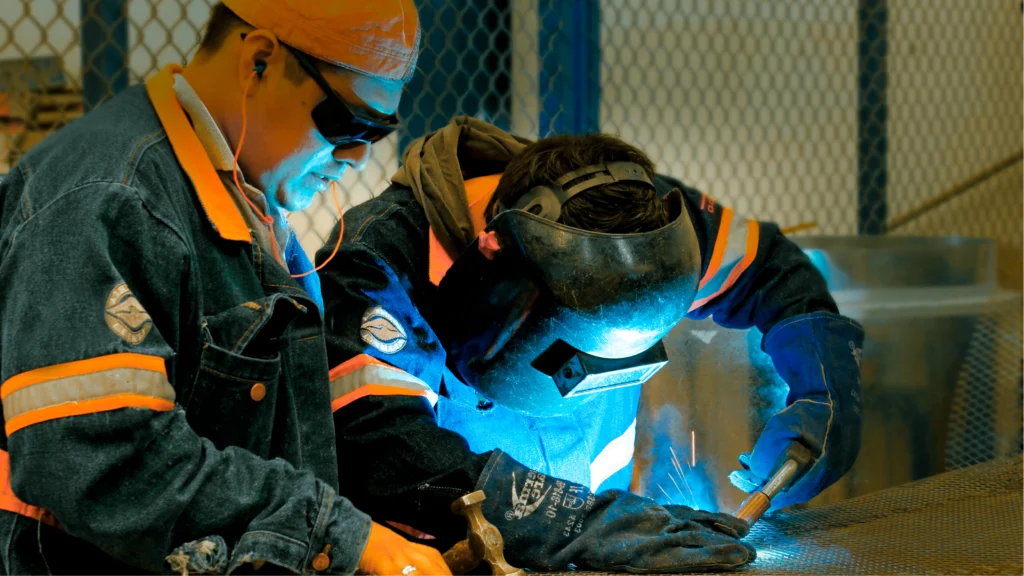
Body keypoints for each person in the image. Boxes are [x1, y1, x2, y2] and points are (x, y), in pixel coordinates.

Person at [0, 1, 451, 574]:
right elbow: (103, 461)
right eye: (346, 123)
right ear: (259, 60)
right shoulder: (110, 199)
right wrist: (340, 537)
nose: (360, 157)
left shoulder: (240, 198)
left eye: (378, 132)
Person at [317, 117, 864, 573]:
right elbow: (383, 453)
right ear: (494, 259)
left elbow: (768, 268)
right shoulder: (374, 265)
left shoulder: (643, 223)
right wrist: (580, 521)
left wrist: (825, 383)